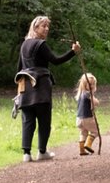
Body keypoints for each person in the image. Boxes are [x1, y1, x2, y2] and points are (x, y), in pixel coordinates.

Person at [15, 16, 81, 162]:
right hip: (41, 86)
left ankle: (26, 154)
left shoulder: (24, 45)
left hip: (25, 86)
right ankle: (42, 152)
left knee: (28, 120)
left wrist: (19, 90)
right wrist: (73, 52)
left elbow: (19, 68)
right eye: (43, 26)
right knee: (44, 119)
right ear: (35, 28)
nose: (46, 29)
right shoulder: (41, 44)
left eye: (47, 26)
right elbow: (56, 61)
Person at [75, 73, 100, 156]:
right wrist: (95, 100)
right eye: (90, 84)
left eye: (93, 84)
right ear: (84, 85)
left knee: (83, 133)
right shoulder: (88, 94)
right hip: (87, 118)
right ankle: (88, 144)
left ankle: (82, 150)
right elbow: (96, 102)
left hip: (79, 119)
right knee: (95, 132)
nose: (92, 86)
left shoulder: (80, 94)